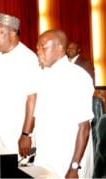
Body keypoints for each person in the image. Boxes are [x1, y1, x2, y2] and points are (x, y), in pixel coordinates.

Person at [34, 29, 94, 178]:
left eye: (44, 47)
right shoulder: (43, 76)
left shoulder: (77, 77)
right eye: (37, 48)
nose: (39, 52)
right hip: (46, 156)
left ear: (60, 47)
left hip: (68, 159)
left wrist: (74, 167)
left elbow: (84, 127)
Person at [0, 13, 40, 157]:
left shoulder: (28, 58)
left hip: (14, 134)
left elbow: (32, 99)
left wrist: (26, 134)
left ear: (13, 33)